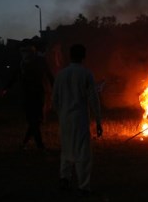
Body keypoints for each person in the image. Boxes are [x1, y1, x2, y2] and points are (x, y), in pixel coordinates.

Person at [52, 44, 102, 195]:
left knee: (66, 149)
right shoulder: (86, 74)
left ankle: (64, 179)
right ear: (83, 56)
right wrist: (98, 120)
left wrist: (61, 114)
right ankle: (83, 186)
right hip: (79, 119)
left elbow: (55, 99)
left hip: (65, 118)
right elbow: (93, 99)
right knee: (83, 153)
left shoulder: (61, 75)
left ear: (70, 56)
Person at [3, 39, 54, 151]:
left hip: (38, 94)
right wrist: (6, 88)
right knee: (33, 121)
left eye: (27, 52)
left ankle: (25, 143)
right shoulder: (21, 64)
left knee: (36, 120)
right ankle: (39, 145)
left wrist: (55, 87)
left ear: (33, 53)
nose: (25, 55)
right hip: (27, 96)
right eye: (23, 52)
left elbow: (49, 75)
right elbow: (14, 76)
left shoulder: (40, 62)